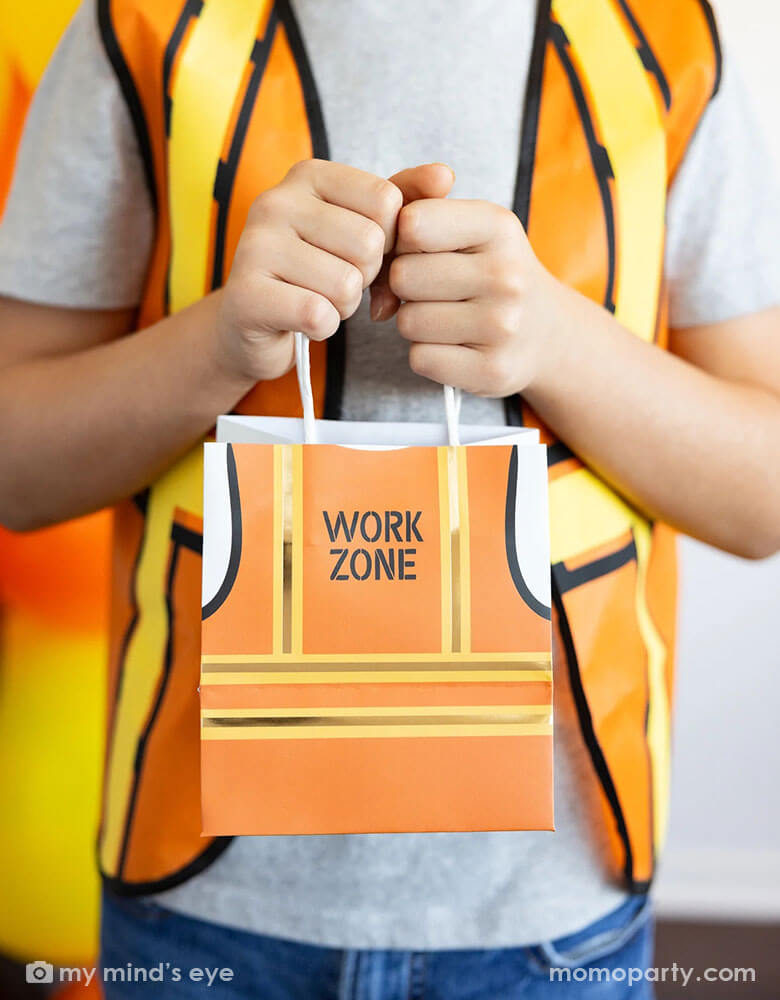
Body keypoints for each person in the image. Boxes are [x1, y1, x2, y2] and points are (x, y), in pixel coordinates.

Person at [1, 0, 779, 997]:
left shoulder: (663, 37)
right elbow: (18, 467)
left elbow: (763, 495)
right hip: (196, 896)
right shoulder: (143, 27)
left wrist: (556, 343)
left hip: (555, 909)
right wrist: (223, 342)